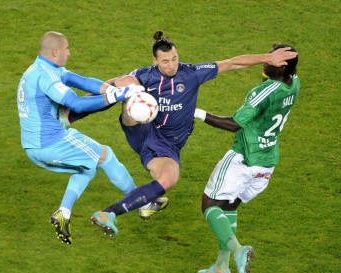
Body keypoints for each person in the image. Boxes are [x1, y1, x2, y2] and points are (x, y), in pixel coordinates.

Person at [89, 31, 298, 237]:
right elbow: (109, 87)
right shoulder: (145, 75)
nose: (171, 65)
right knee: (127, 83)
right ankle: (84, 111)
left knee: (169, 179)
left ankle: (108, 213)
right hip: (140, 129)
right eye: (165, 61)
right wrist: (74, 111)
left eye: (174, 59)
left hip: (166, 145)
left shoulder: (191, 73)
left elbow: (232, 63)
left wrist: (267, 57)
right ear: (155, 61)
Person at [16, 31, 144, 245]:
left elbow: (82, 81)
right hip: (51, 143)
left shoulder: (43, 68)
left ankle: (63, 212)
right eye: (66, 48)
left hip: (33, 148)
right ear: (55, 51)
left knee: (87, 166)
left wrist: (110, 89)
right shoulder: (45, 77)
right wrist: (118, 95)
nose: (69, 52)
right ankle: (141, 201)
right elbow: (75, 103)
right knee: (105, 155)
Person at [195, 44, 299, 273]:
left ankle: (238, 250)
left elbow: (234, 124)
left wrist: (197, 112)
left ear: (281, 66)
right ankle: (221, 267)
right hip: (267, 163)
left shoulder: (263, 91)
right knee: (230, 205)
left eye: (271, 59)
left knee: (210, 205)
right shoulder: (294, 84)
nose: (265, 61)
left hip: (244, 158)